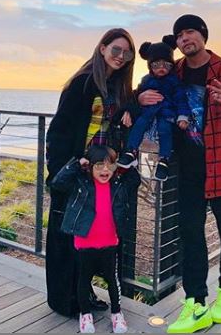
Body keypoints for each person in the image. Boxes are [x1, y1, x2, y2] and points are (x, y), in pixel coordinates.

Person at [139, 15, 221, 333]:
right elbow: (150, 89)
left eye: (190, 32)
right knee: (190, 234)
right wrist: (139, 98)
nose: (184, 39)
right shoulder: (173, 70)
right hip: (188, 169)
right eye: (179, 35)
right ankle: (196, 303)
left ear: (203, 35)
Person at [45, 28, 136, 318]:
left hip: (101, 173)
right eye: (116, 49)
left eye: (127, 53)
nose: (121, 56)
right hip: (76, 170)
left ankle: (83, 295)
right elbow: (59, 130)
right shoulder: (82, 83)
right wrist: (59, 170)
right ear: (102, 48)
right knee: (66, 236)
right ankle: (64, 300)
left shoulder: (117, 87)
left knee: (90, 236)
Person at [49, 145, 142, 333]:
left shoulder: (117, 185)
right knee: (84, 280)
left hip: (109, 243)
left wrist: (127, 164)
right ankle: (85, 315)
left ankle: (117, 313)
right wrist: (76, 164)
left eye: (110, 165)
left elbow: (135, 180)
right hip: (85, 242)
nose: (105, 170)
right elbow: (58, 183)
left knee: (112, 280)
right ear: (90, 166)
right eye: (99, 165)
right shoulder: (81, 184)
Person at [117, 36, 190, 181]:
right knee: (139, 126)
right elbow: (135, 95)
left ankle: (164, 160)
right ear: (150, 66)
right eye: (156, 65)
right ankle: (131, 151)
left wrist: (183, 116)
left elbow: (181, 99)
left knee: (165, 131)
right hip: (148, 113)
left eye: (166, 65)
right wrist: (133, 106)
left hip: (166, 114)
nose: (162, 68)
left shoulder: (174, 81)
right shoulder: (146, 80)